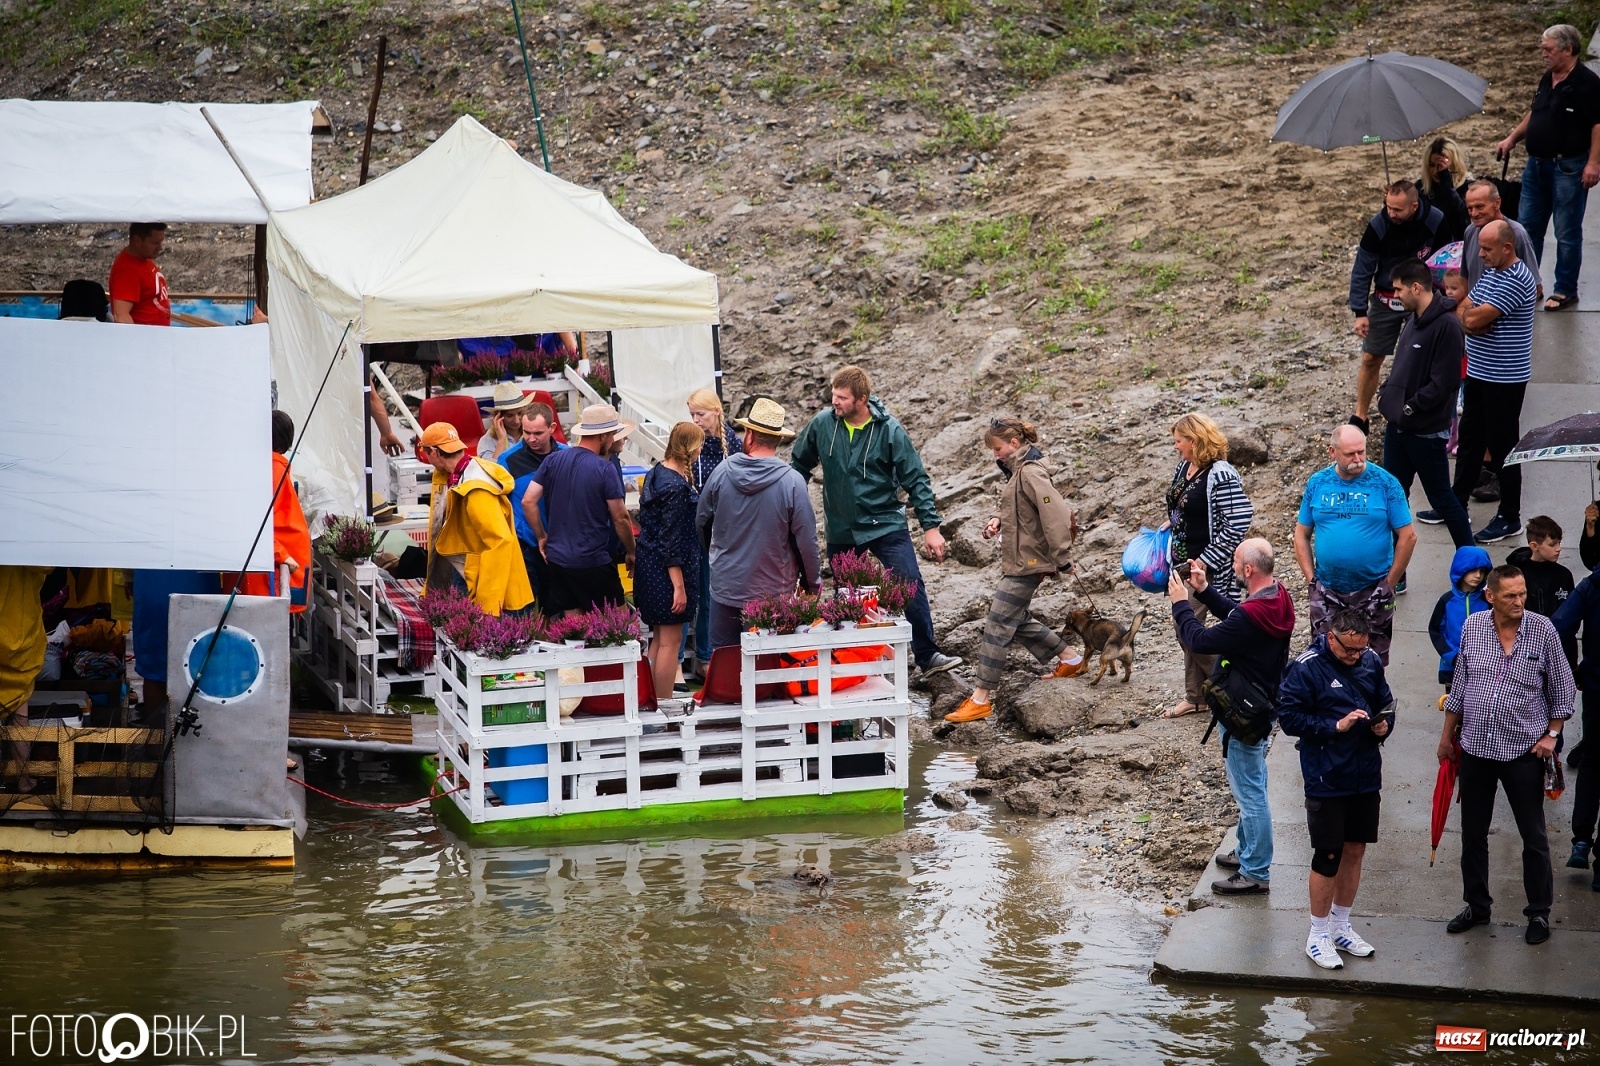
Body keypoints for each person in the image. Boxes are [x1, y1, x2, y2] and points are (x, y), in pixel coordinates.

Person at [790, 366, 962, 676]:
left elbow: (917, 480)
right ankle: (855, 667)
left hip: (885, 523)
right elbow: (798, 466)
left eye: (842, 398)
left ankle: (928, 655)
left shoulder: (890, 430)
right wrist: (787, 508)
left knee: (909, 583)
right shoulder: (822, 424)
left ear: (862, 399)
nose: (835, 402)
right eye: (833, 395)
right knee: (849, 600)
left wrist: (931, 528)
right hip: (842, 529)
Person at [1443, 565, 1575, 946]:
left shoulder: (1543, 630)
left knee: (1533, 836)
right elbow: (1461, 688)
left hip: (1522, 752)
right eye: (1510, 596)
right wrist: (1446, 739)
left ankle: (1538, 913)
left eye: (1522, 594)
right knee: (1472, 835)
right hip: (1477, 750)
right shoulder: (1474, 628)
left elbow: (1564, 691)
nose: (1519, 602)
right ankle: (1477, 905)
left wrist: (1552, 735)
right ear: (1491, 597)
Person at [1167, 539, 1296, 896]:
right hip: (1263, 701)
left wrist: (1181, 604)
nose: (1232, 566)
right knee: (1252, 782)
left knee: (1250, 792)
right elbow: (1237, 618)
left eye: (1236, 562)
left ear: (1249, 570)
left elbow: (1199, 639)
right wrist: (1204, 591)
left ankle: (1256, 871)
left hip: (1244, 712)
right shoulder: (1277, 596)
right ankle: (1245, 851)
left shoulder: (1251, 615)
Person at [944, 418, 1086, 725]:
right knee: (1014, 618)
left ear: (1014, 444)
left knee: (997, 623)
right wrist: (998, 519)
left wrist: (1062, 559)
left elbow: (1057, 516)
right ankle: (1071, 659)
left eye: (997, 448)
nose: (995, 454)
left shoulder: (1031, 472)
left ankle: (981, 698)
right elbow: (1017, 505)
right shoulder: (1017, 472)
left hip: (1030, 562)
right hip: (1021, 559)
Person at [1277, 609, 1395, 969]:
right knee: (1328, 855)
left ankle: (1342, 926)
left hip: (1364, 774)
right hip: (1325, 776)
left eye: (1360, 650)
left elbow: (1386, 703)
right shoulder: (1306, 667)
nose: (1355, 657)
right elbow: (1288, 718)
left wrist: (1384, 726)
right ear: (1331, 638)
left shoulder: (1371, 660)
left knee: (1355, 849)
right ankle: (1318, 934)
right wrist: (1336, 725)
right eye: (1349, 651)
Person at [696, 397, 821, 651]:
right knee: (766, 670)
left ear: (749, 434)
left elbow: (702, 522)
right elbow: (805, 541)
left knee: (725, 663)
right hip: (773, 593)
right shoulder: (792, 482)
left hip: (726, 588)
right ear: (778, 439)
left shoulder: (722, 471)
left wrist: (718, 557)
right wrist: (811, 584)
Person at [1444, 221, 1539, 545]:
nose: (1480, 254)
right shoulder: (1493, 273)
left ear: (1507, 248)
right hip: (1480, 373)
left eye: (1486, 248)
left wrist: (1474, 318)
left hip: (1505, 378)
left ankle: (1510, 516)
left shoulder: (1516, 279)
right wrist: (1474, 318)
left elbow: (1472, 317)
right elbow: (1464, 310)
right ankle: (1456, 503)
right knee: (1470, 440)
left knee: (1503, 449)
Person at [1494, 23, 1600, 312]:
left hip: (1568, 167)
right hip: (1536, 166)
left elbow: (1597, 125)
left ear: (1568, 49)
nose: (1543, 53)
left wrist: (1593, 163)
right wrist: (1512, 137)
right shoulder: (1548, 78)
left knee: (1566, 231)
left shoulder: (1587, 83)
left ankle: (1565, 289)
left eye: (1548, 49)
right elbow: (1535, 112)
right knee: (1527, 229)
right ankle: (1527, 285)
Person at [1293, 426, 1415, 665]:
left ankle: (1371, 702)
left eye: (1362, 452)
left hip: (1373, 589)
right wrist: (1311, 580)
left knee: (1372, 658)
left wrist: (1389, 583)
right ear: (1332, 451)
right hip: (1327, 589)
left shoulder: (1386, 483)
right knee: (1324, 655)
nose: (1358, 460)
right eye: (1350, 454)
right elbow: (1301, 534)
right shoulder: (1318, 483)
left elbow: (1408, 536)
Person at [1161, 413, 1254, 719]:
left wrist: (1208, 557)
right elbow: (1183, 504)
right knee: (1186, 627)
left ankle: (1236, 687)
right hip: (1181, 562)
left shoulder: (1221, 474)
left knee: (1186, 627)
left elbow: (1239, 520)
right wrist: (1173, 522)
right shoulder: (1184, 467)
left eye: (1179, 441)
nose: (1175, 446)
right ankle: (1197, 697)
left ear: (1195, 440)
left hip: (1203, 566)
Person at [1376, 258, 1472, 549]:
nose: (1395, 296)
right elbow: (1402, 369)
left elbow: (1444, 384)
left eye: (1398, 290)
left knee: (1443, 499)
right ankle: (1396, 571)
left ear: (1416, 288)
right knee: (1394, 497)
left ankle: (1472, 563)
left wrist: (1410, 407)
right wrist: (1387, 394)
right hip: (1399, 428)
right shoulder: (1411, 321)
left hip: (1426, 432)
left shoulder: (1447, 326)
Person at [1346, 181, 1446, 432]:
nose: (1391, 213)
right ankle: (1361, 416)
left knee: (1419, 359)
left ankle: (1415, 410)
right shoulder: (1378, 225)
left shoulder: (1435, 220)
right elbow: (1362, 269)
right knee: (1371, 357)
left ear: (1414, 206)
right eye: (1388, 207)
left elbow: (1447, 256)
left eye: (1398, 210)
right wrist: (1360, 312)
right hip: (1385, 299)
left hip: (1422, 298)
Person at [522, 405, 635, 617]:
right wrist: (631, 550)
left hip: (558, 561)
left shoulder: (552, 460)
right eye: (611, 435)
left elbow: (528, 501)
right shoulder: (605, 468)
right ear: (602, 436)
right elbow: (620, 517)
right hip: (593, 561)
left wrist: (541, 537)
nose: (612, 440)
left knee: (575, 635)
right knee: (620, 629)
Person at [417, 422, 532, 616]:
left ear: (434, 453)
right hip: (472, 576)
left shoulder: (476, 489)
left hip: (493, 592)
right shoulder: (460, 473)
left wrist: (487, 606)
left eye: (426, 452)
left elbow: (500, 542)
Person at [637, 422, 705, 701]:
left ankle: (649, 701)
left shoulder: (657, 472)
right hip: (667, 573)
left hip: (650, 566)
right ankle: (664, 707)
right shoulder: (675, 487)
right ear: (691, 448)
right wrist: (679, 586)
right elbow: (671, 542)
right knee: (670, 642)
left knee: (658, 639)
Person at [686, 388, 742, 674]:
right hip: (696, 529)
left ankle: (717, 655)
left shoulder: (733, 444)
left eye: (701, 414)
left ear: (717, 411)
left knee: (721, 593)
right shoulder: (689, 442)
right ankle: (696, 658)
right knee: (698, 592)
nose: (696, 420)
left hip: (725, 530)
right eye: (692, 414)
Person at [238, 411, 311, 612]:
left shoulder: (264, 466)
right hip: (271, 572)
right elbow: (254, 523)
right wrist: (282, 555)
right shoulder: (273, 470)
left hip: (273, 569)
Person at [501, 402, 566, 606]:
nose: (531, 439)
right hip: (525, 543)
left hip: (560, 541)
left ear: (552, 428)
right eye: (526, 432)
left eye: (538, 433)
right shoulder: (508, 460)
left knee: (557, 608)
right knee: (525, 607)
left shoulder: (567, 455)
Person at [1, 566, 52, 794]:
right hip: (19, 631)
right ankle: (24, 780)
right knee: (20, 712)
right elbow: (45, 565)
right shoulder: (25, 535)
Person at [1509, 516, 1577, 670]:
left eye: (1559, 543)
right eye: (1552, 544)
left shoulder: (1564, 575)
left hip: (1561, 653)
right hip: (1525, 653)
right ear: (1534, 545)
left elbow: (1572, 617)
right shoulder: (1517, 575)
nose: (1558, 548)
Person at [1427, 546, 1491, 700]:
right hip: (1452, 665)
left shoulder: (1488, 601)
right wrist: (1452, 655)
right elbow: (1436, 630)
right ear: (1460, 570)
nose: (1478, 576)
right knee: (1454, 705)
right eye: (1473, 570)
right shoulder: (1446, 601)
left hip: (1483, 666)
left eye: (1482, 571)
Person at [1461, 180, 1541, 293]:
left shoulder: (1517, 234)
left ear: (1497, 203)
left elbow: (1535, 287)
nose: (1474, 213)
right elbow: (1465, 277)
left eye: (1480, 207)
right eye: (1470, 208)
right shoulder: (1470, 232)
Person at [109, 223, 171, 326]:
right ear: (137, 240)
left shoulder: (144, 258)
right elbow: (121, 316)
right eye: (155, 243)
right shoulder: (128, 270)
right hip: (145, 339)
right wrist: (137, 340)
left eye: (161, 242)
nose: (160, 248)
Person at [1418, 136, 1470, 245]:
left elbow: (1461, 217)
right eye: (1432, 165)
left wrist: (1446, 181)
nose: (1436, 171)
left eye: (1441, 166)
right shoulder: (1422, 188)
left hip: (1458, 246)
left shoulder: (1467, 188)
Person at [478, 382, 532, 462]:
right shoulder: (487, 441)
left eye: (520, 413)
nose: (517, 421)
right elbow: (493, 470)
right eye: (510, 416)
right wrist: (501, 440)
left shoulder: (533, 432)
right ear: (498, 417)